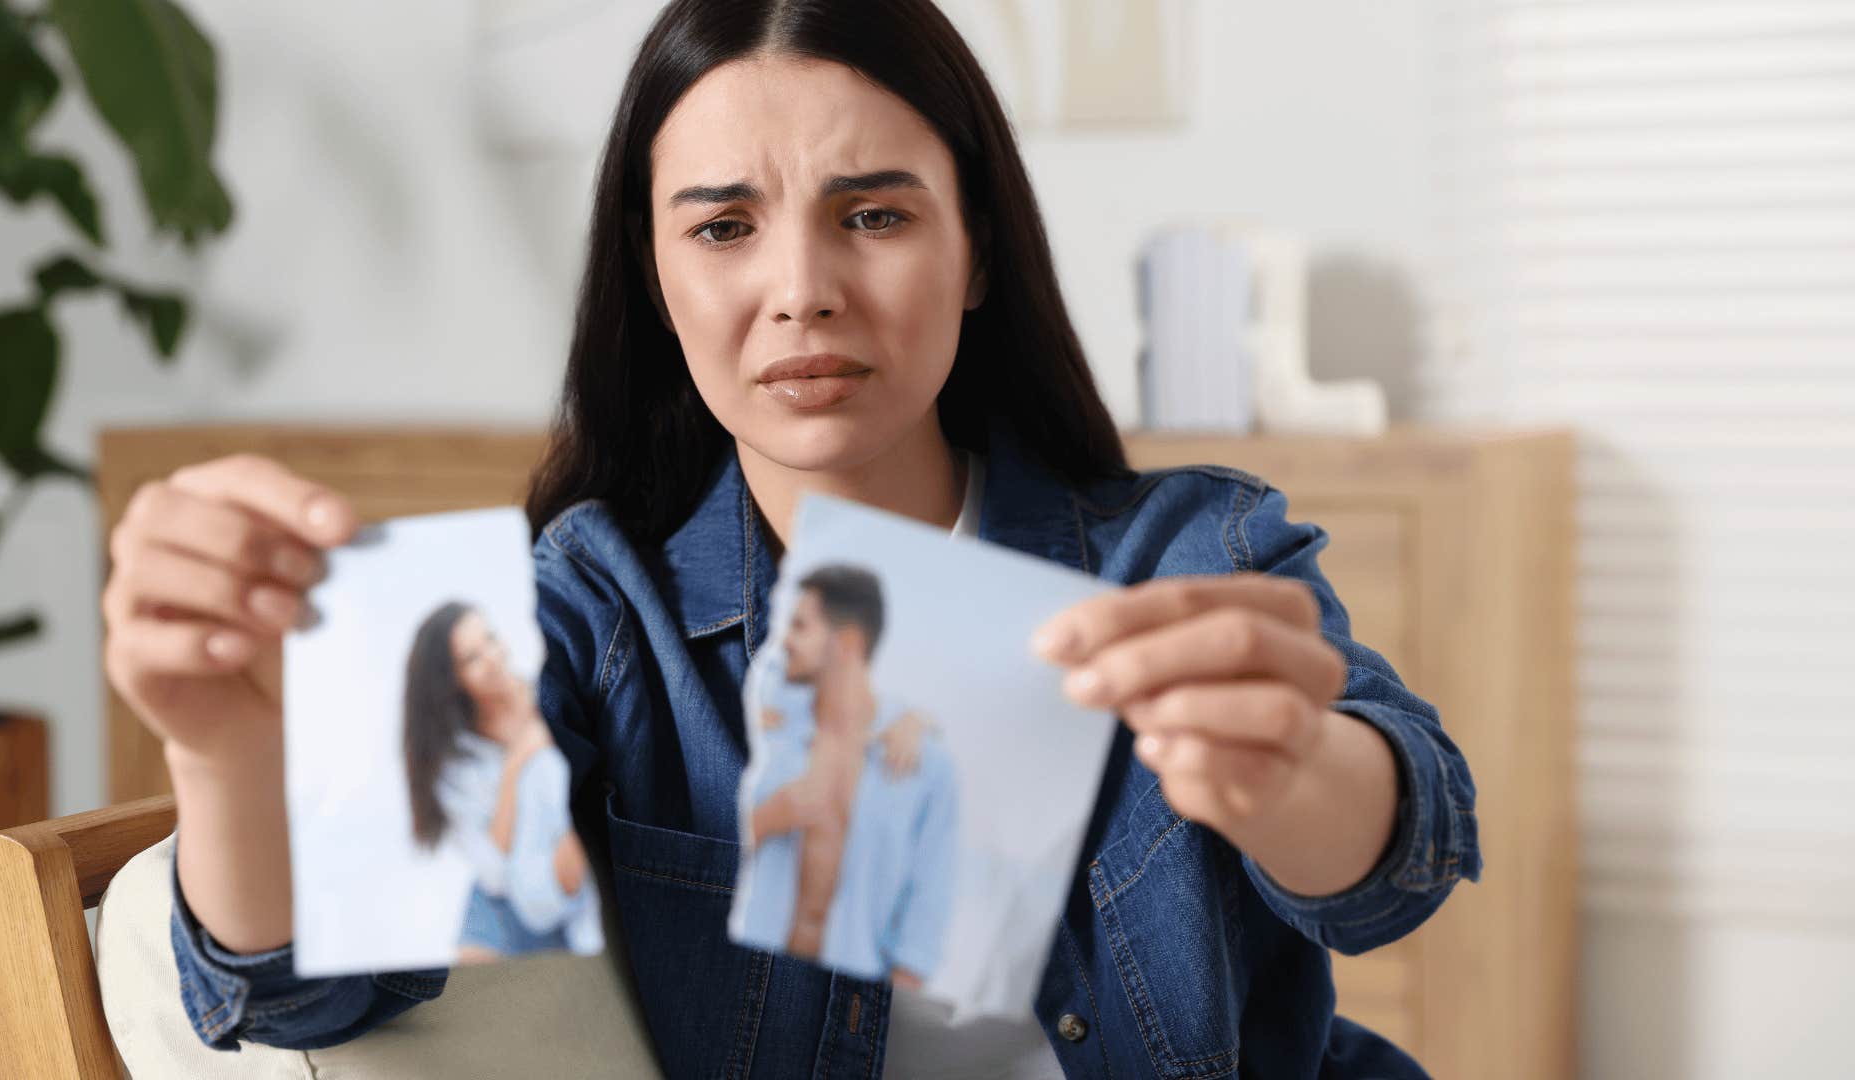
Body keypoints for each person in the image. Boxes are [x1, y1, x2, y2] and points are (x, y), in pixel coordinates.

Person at [101, 1, 1482, 1074]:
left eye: (873, 215)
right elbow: (311, 989)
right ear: (655, 271)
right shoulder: (593, 607)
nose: (801, 292)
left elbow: (1401, 858)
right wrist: (223, 750)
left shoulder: (1188, 546)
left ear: (978, 251)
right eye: (723, 227)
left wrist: (1293, 775)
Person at [731, 565, 959, 988]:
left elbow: (929, 903)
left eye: (800, 626)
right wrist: (769, 818)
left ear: (848, 643)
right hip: (745, 978)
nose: (785, 641)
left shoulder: (923, 764)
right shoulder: (769, 722)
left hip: (858, 1001)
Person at [400, 601, 603, 961]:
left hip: (565, 892)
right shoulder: (454, 765)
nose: (492, 658)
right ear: (450, 682)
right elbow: (493, 871)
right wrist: (517, 761)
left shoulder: (547, 686)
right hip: (506, 902)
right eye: (471, 659)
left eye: (491, 640)